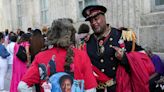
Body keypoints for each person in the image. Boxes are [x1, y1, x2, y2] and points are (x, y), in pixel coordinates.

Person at [82, 5, 155, 92]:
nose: (93, 23)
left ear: (104, 17)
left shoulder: (122, 35)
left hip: (118, 88)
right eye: (91, 21)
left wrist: (125, 58)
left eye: (96, 18)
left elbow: (143, 59)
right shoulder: (87, 42)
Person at [17, 18, 97, 92]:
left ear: (52, 35)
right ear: (70, 36)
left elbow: (22, 86)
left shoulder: (40, 57)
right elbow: (91, 89)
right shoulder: (81, 55)